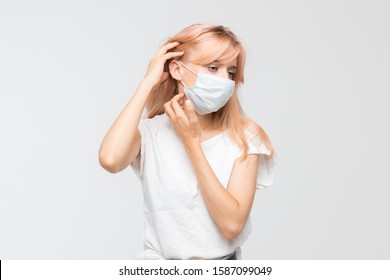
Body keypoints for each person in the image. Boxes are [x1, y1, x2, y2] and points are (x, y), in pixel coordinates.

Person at [99, 24, 275, 260]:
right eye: (213, 68)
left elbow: (232, 225)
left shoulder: (245, 136)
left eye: (231, 72)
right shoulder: (151, 133)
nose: (224, 80)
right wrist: (147, 83)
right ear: (177, 69)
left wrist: (191, 142)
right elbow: (110, 160)